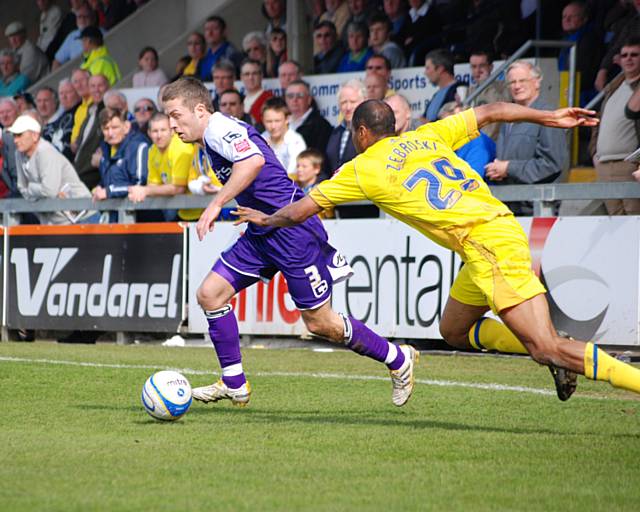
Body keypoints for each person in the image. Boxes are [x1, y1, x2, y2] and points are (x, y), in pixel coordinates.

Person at [236, 99, 640, 401]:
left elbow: (301, 211)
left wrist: (265, 219)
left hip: (487, 246)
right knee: (454, 331)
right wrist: (549, 116)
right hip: (493, 235)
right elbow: (491, 110)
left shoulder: (362, 168)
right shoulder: (425, 136)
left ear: (360, 133)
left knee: (545, 348)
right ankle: (553, 340)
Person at [161, 77, 418, 407]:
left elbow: (252, 162)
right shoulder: (212, 135)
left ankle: (397, 358)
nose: (172, 124)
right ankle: (234, 383)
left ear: (199, 109)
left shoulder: (218, 129)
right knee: (210, 294)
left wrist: (215, 203)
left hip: (292, 231)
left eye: (175, 115)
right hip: (262, 228)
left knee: (320, 323)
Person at [486, 61, 569, 215]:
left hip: (538, 208)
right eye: (512, 82)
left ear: (537, 82)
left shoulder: (548, 117)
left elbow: (551, 163)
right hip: (511, 207)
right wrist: (499, 170)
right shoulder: (507, 120)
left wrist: (508, 168)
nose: (517, 86)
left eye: (522, 80)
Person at [10, 114, 98, 225]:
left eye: (19, 135)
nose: (15, 140)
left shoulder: (45, 151)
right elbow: (21, 187)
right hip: (56, 221)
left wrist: (31, 188)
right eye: (14, 136)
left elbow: (49, 191)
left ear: (35, 136)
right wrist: (33, 191)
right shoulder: (18, 153)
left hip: (83, 217)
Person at [590, 37, 640, 215]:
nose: (629, 58)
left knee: (635, 222)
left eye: (634, 54)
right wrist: (594, 154)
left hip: (630, 167)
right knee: (614, 226)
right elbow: (598, 122)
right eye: (624, 55)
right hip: (604, 165)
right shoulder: (613, 87)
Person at [128, 112, 190, 221]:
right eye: (155, 131)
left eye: (163, 130)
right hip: (176, 208)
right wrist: (141, 191)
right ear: (149, 133)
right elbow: (153, 184)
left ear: (172, 131)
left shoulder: (181, 147)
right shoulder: (152, 150)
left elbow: (179, 188)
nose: (159, 135)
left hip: (196, 209)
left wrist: (145, 191)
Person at [93, 107, 149, 209]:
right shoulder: (105, 149)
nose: (110, 133)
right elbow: (109, 180)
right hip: (115, 214)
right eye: (106, 128)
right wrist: (99, 187)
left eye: (115, 128)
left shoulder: (138, 146)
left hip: (139, 215)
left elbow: (140, 184)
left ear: (126, 127)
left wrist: (108, 192)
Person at [439, 101, 495, 178]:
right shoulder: (447, 144)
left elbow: (474, 177)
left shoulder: (477, 142)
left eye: (452, 124)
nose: (447, 129)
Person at [466, 50, 511, 141]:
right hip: (472, 142)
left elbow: (501, 107)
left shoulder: (502, 86)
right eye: (474, 67)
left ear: (491, 67)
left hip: (493, 141)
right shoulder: (469, 90)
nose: (478, 70)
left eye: (482, 66)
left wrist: (486, 84)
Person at [261, 97, 307, 177]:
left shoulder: (296, 141)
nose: (273, 126)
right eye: (269, 121)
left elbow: (293, 174)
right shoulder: (260, 139)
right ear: (262, 120)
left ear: (287, 119)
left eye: (277, 121)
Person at [421, 48, 466, 123]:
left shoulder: (460, 90)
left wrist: (426, 123)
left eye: (428, 68)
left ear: (440, 69)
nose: (425, 73)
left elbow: (451, 119)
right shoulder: (436, 94)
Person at [42, 79, 80, 160]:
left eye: (68, 92)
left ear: (77, 92)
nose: (64, 96)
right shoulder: (59, 118)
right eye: (61, 93)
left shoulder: (81, 111)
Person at [52, 2, 97, 69]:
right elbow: (57, 61)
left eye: (86, 16)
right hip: (77, 75)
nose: (82, 20)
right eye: (79, 17)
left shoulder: (101, 33)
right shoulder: (72, 36)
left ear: (92, 18)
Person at [198, 16, 240, 82]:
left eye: (214, 28)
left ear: (224, 31)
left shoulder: (232, 54)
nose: (210, 33)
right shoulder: (204, 56)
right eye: (207, 29)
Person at [240, 59, 273, 127]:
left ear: (261, 75)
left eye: (254, 73)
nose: (250, 77)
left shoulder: (269, 99)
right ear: (241, 77)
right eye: (247, 74)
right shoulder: (240, 99)